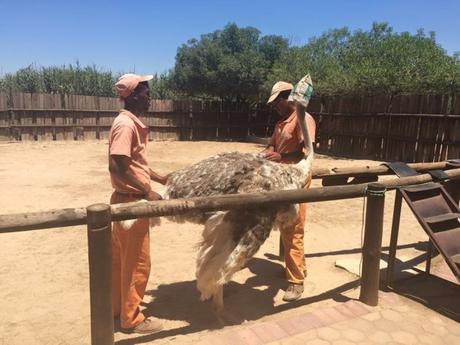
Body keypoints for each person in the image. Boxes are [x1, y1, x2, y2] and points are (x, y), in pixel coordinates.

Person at [109, 73, 168, 334]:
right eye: (146, 92)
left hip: (125, 201)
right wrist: (147, 189)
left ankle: (117, 309)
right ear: (132, 96)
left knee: (121, 260)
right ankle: (131, 319)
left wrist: (159, 178)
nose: (150, 97)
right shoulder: (126, 125)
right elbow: (118, 165)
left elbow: (136, 164)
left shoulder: (130, 123)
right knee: (137, 263)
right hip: (132, 204)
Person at [262, 81, 316, 302]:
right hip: (282, 179)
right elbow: (273, 146)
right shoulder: (280, 123)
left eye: (278, 101)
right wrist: (268, 152)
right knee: (285, 225)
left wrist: (281, 158)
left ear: (288, 97)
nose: (275, 106)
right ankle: (296, 267)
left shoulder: (304, 120)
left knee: (294, 228)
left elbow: (307, 154)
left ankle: (296, 282)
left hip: (297, 178)